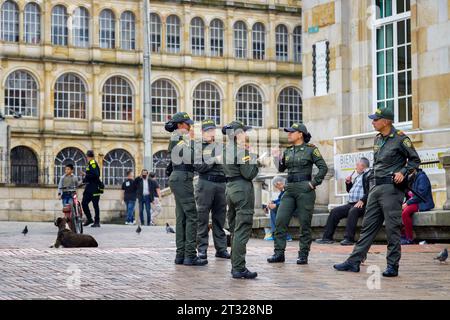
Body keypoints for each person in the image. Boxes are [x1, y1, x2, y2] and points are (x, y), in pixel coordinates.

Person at [334, 108, 421, 277]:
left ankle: (392, 265)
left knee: (392, 228)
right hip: (375, 188)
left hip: (391, 189)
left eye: (376, 119)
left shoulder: (401, 139)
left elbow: (415, 160)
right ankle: (354, 262)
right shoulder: (378, 139)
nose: (373, 122)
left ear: (386, 121)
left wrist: (402, 172)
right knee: (367, 227)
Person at [267, 123, 328, 265]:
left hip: (305, 189)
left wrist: (313, 183)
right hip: (289, 188)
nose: (288, 134)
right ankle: (279, 253)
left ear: (300, 134)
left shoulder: (311, 150)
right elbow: (281, 168)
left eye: (291, 132)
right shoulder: (288, 151)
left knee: (304, 224)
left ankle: (303, 254)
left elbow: (323, 168)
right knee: (280, 220)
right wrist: (277, 157)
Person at [165, 112, 207, 266]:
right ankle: (190, 255)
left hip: (180, 177)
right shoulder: (178, 138)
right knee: (192, 216)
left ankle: (180, 255)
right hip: (182, 178)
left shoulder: (179, 139)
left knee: (182, 217)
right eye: (187, 124)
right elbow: (192, 157)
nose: (189, 126)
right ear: (180, 124)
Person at [222, 120, 259, 279]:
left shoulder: (224, 150)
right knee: (242, 229)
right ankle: (238, 267)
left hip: (230, 189)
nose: (245, 134)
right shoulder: (241, 152)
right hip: (242, 189)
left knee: (234, 228)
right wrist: (253, 158)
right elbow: (249, 174)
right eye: (243, 132)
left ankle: (235, 266)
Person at [194, 119, 230, 260]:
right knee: (202, 218)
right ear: (202, 132)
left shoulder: (221, 146)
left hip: (221, 185)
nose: (211, 133)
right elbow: (199, 167)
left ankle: (221, 249)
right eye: (208, 130)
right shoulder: (198, 148)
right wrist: (213, 159)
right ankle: (202, 249)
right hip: (206, 183)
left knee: (220, 219)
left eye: (212, 130)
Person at [316, 157, 372, 246]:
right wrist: (348, 183)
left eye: (357, 165)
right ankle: (327, 237)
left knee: (353, 211)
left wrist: (362, 200)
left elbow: (371, 190)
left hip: (363, 204)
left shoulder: (369, 175)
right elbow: (350, 191)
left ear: (362, 165)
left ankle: (349, 239)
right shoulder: (358, 176)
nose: (356, 167)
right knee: (335, 211)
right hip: (352, 203)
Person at [401, 168, 434, 245]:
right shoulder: (412, 177)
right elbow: (407, 192)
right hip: (414, 202)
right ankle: (403, 235)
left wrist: (408, 203)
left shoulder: (422, 177)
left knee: (405, 212)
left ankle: (409, 238)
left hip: (422, 203)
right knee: (399, 210)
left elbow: (421, 195)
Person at [264, 176, 292, 242]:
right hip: (289, 207)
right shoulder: (285, 186)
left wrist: (276, 205)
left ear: (279, 183)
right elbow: (281, 199)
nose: (278, 189)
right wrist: (273, 202)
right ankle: (277, 234)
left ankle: (279, 235)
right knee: (274, 209)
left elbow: (287, 200)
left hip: (294, 208)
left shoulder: (288, 187)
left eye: (277, 187)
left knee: (274, 210)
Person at [81, 150, 102, 228]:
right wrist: (83, 181)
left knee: (95, 205)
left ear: (88, 156)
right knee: (84, 203)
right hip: (90, 187)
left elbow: (96, 175)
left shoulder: (92, 163)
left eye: (86, 156)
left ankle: (96, 221)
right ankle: (89, 219)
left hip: (94, 187)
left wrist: (85, 174)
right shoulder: (90, 163)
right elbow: (90, 176)